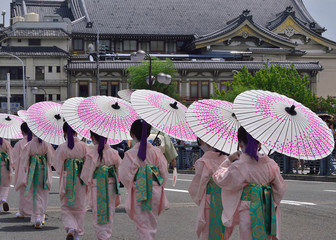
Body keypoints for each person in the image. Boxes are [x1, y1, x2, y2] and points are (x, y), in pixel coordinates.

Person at [213, 127, 287, 240]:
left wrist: (228, 161)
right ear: (260, 143)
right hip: (266, 209)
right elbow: (280, 189)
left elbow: (220, 178)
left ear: (239, 143)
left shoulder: (239, 165)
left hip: (247, 210)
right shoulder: (271, 164)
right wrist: (271, 201)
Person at [119, 119, 168, 240]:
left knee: (142, 224)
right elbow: (164, 173)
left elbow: (124, 175)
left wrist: (133, 183)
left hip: (139, 188)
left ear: (132, 134)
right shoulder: (156, 152)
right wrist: (158, 184)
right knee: (151, 222)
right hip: (154, 189)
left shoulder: (130, 154)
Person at [188, 137, 232, 240]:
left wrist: (199, 198)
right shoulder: (227, 160)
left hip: (209, 199)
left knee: (208, 230)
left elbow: (199, 185)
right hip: (224, 199)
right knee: (222, 230)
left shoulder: (203, 161)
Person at [81, 131, 122, 240]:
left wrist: (89, 182)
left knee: (98, 211)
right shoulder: (114, 153)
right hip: (111, 184)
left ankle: (102, 236)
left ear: (93, 137)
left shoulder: (91, 153)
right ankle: (106, 236)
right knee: (110, 210)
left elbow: (86, 175)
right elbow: (120, 169)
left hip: (97, 184)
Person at [53, 122, 88, 240]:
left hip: (67, 178)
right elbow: (88, 162)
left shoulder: (62, 147)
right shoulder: (83, 146)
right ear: (76, 131)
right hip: (80, 177)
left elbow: (57, 165)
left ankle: (71, 227)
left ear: (64, 132)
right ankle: (77, 233)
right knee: (80, 205)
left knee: (66, 206)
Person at [16, 136, 54, 229]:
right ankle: (41, 215)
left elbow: (24, 159)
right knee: (44, 194)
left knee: (35, 194)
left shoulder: (29, 144)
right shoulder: (47, 144)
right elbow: (51, 159)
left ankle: (37, 217)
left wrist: (28, 165)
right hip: (44, 170)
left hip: (33, 170)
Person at [12, 122, 33, 218]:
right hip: (36, 170)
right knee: (36, 192)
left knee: (23, 192)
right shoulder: (37, 142)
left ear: (22, 131)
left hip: (23, 170)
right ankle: (38, 213)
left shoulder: (19, 144)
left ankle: (22, 212)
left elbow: (15, 159)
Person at [0, 137, 12, 213]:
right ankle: (3, 198)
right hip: (4, 166)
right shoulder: (6, 143)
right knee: (6, 185)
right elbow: (10, 156)